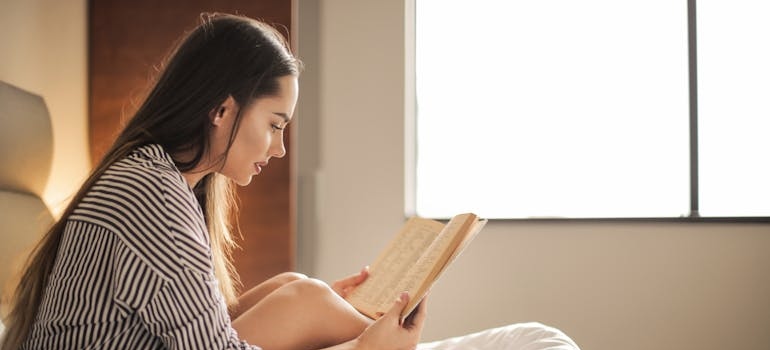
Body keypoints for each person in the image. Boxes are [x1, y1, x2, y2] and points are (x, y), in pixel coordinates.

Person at [1, 12, 579, 350]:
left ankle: (367, 323)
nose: (279, 148)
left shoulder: (155, 179)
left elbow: (195, 328)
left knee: (298, 284)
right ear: (221, 110)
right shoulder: (150, 196)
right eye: (274, 125)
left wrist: (318, 301)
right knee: (539, 342)